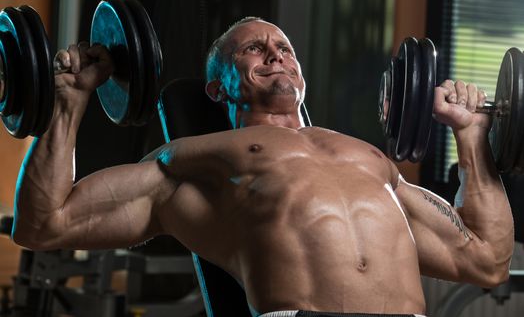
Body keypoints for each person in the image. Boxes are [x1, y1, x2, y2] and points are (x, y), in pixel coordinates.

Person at [10, 17, 514, 317]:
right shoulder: (194, 159)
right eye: (253, 49)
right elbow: (45, 221)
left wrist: (471, 138)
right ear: (218, 88)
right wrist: (69, 103)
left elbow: (486, 259)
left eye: (285, 48)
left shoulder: (371, 159)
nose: (275, 54)